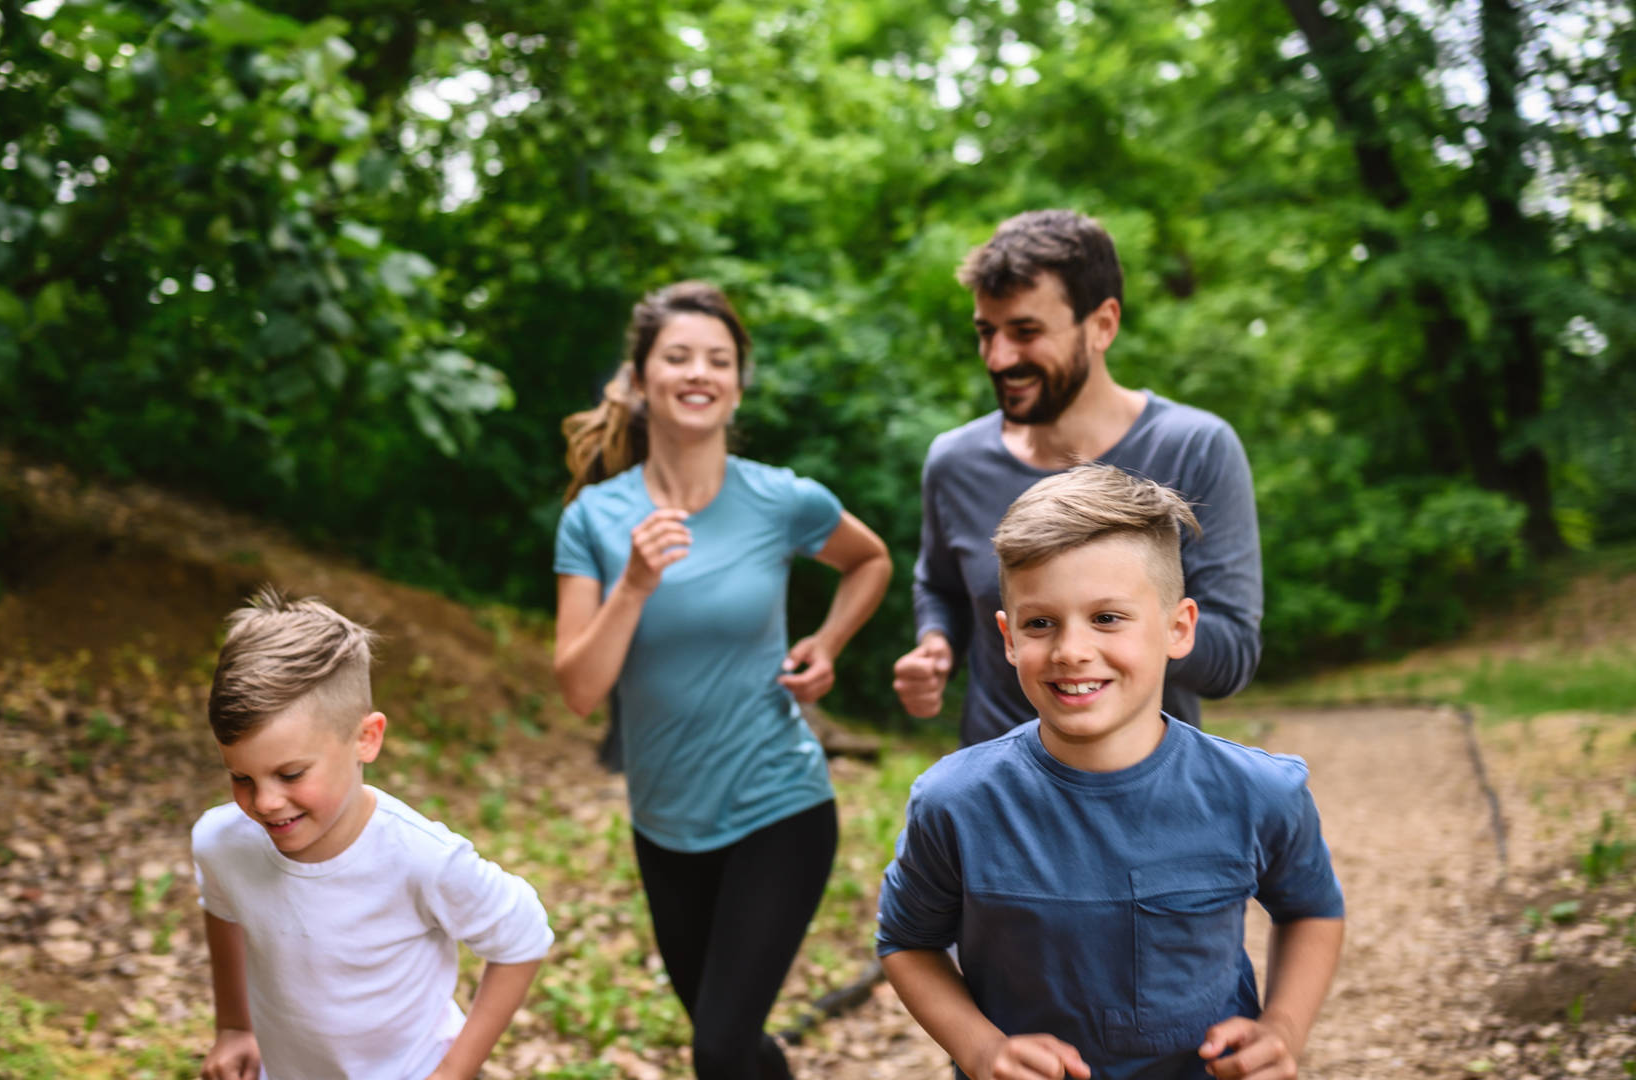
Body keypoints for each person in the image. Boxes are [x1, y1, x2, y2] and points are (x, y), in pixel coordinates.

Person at [876, 464, 1345, 1080]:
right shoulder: (954, 802)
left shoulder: (1258, 792)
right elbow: (906, 940)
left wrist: (1281, 1028)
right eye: (1040, 622)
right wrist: (980, 1048)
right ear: (1008, 637)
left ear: (1178, 628)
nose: (1071, 650)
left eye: (1107, 618)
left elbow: (1311, 909)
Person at [552, 281, 892, 1079]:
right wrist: (633, 585)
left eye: (719, 359)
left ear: (738, 383)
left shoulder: (780, 498)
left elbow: (869, 560)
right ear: (639, 382)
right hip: (664, 822)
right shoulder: (596, 519)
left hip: (779, 803)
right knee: (729, 1047)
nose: (698, 372)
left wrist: (827, 641)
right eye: (677, 357)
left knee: (718, 1044)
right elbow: (578, 688)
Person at [892, 209, 1263, 747]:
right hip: (997, 794)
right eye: (986, 332)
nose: (998, 358)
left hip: (1143, 790)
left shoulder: (1194, 448)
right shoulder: (954, 462)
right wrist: (936, 644)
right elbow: (939, 584)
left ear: (1103, 325)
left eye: (1025, 332)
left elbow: (1232, 659)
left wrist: (1104, 632)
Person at [192, 588, 553, 1080]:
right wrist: (235, 1026)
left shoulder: (420, 859)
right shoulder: (223, 841)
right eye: (241, 778)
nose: (265, 802)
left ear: (366, 738)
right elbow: (222, 904)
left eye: (292, 774)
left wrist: (453, 1071)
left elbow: (523, 936)